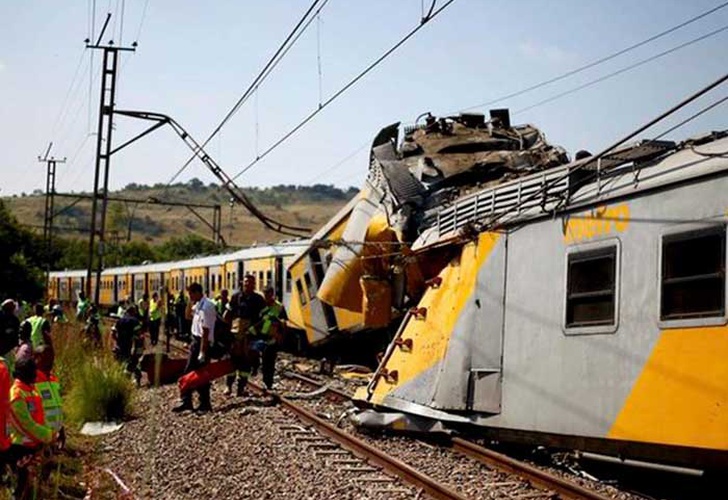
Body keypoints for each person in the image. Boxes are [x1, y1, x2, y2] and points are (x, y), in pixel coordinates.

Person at [7, 353, 56, 500]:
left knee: (32, 486)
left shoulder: (30, 389)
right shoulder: (16, 394)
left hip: (33, 444)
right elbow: (25, 424)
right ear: (25, 373)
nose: (36, 374)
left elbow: (39, 417)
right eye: (33, 371)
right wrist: (47, 435)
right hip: (20, 447)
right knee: (21, 489)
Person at [173, 283, 217, 413]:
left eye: (191, 294)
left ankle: (199, 402)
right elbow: (187, 316)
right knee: (196, 373)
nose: (190, 296)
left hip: (202, 343)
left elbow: (206, 331)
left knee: (197, 373)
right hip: (196, 342)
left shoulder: (207, 306)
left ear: (197, 292)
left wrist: (202, 352)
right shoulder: (199, 305)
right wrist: (189, 301)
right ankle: (191, 402)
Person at [223, 274, 265, 397]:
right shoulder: (236, 297)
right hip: (235, 334)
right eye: (246, 282)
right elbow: (228, 314)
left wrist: (258, 331)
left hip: (251, 335)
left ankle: (241, 388)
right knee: (231, 361)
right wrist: (226, 329)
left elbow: (266, 318)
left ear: (254, 284)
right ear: (243, 283)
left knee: (246, 362)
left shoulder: (259, 299)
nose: (248, 285)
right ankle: (228, 386)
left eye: (251, 283)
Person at [252, 287, 287, 390]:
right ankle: (258, 372)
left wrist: (281, 335)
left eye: (268, 294)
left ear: (272, 294)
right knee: (258, 358)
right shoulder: (261, 306)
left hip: (272, 337)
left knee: (269, 360)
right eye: (265, 294)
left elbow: (284, 321)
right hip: (260, 335)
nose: (267, 296)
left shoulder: (279, 307)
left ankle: (268, 382)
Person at [33, 345, 64, 446]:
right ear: (35, 359)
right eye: (45, 358)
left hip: (54, 435)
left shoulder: (53, 379)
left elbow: (58, 406)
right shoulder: (32, 380)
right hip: (40, 436)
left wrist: (61, 428)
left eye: (51, 358)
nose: (49, 361)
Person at [112, 305, 144, 386]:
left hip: (121, 345)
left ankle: (121, 379)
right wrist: (139, 346)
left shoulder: (120, 320)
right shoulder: (135, 321)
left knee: (122, 361)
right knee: (134, 361)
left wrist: (117, 341)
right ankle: (135, 378)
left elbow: (113, 333)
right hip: (131, 345)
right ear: (133, 312)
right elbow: (139, 335)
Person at [0, 299, 21, 371]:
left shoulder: (14, 320)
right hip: (5, 350)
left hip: (10, 350)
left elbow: (16, 334)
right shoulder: (8, 319)